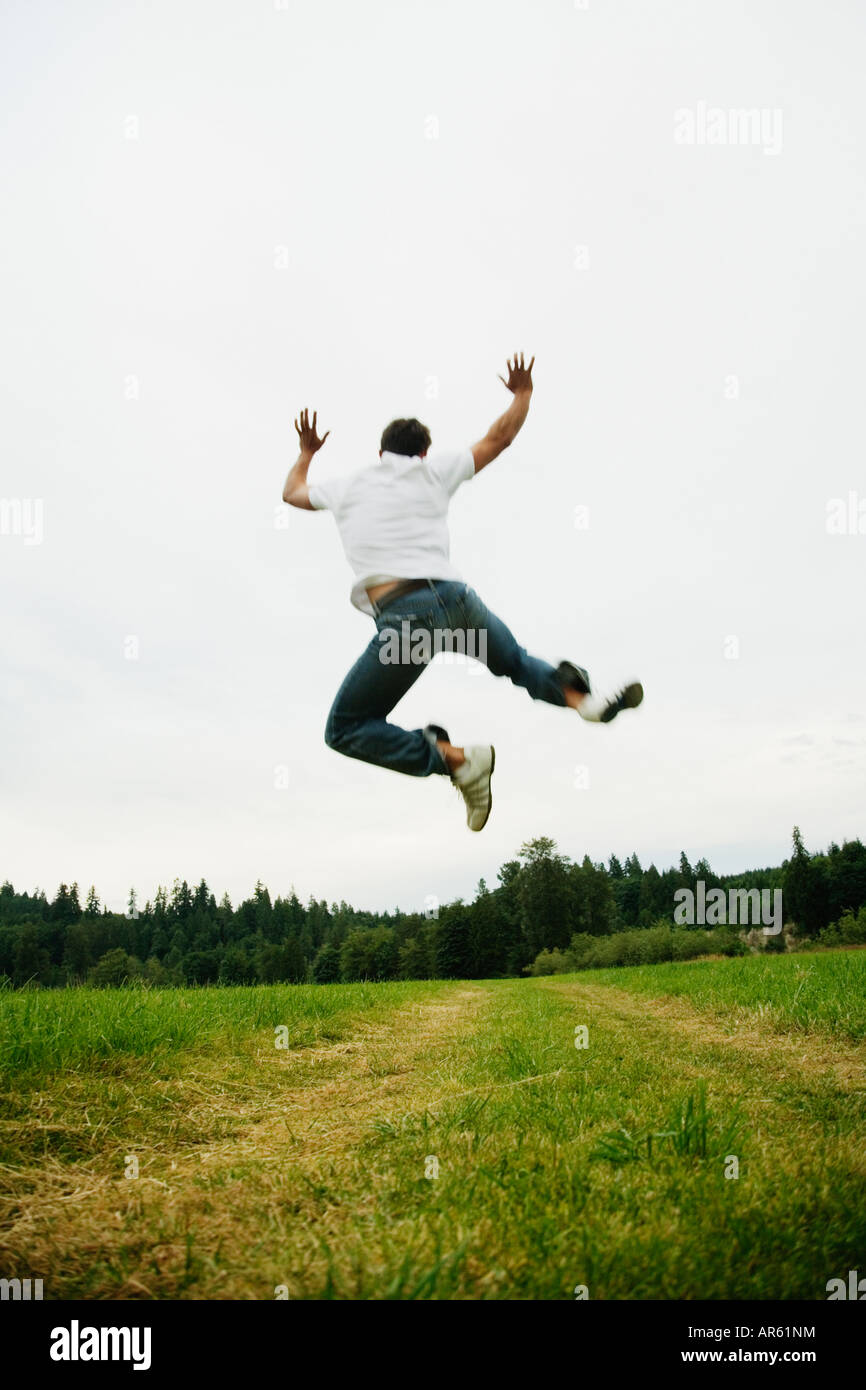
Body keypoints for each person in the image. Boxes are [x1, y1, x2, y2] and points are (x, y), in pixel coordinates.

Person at [282, 353, 643, 831]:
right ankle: (585, 703)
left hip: (408, 624)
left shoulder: (347, 485)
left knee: (345, 728)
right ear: (424, 454)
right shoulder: (435, 471)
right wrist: (523, 394)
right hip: (457, 604)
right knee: (513, 661)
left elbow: (292, 493)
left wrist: (307, 453)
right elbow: (500, 437)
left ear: (380, 453)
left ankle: (455, 760)